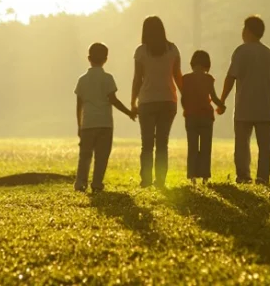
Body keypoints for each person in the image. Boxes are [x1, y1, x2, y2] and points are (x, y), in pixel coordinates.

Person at [220, 16, 270, 185]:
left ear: (247, 31)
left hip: (243, 108)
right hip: (264, 109)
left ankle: (243, 176)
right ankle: (263, 177)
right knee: (265, 146)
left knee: (242, 145)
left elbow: (230, 78)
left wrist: (222, 100)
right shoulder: (269, 54)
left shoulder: (241, 51)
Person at [74, 42, 136, 192]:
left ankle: (81, 183)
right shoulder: (108, 78)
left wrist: (79, 125)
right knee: (102, 156)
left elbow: (79, 105)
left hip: (88, 123)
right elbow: (113, 100)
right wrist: (129, 112)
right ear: (106, 59)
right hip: (105, 123)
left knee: (85, 156)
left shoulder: (82, 80)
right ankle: (97, 183)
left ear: (89, 58)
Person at [131, 16, 182, 188]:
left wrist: (133, 101)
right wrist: (186, 96)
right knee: (162, 143)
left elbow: (138, 78)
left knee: (147, 144)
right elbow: (177, 76)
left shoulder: (141, 51)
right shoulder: (172, 49)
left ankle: (145, 180)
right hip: (168, 100)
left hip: (147, 101)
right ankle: (160, 180)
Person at [181, 50, 226, 184]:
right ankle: (205, 176)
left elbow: (183, 99)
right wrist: (222, 106)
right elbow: (213, 97)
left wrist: (187, 109)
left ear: (192, 63)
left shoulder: (186, 79)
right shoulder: (208, 79)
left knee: (192, 147)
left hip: (191, 117)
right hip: (206, 117)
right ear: (207, 64)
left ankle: (192, 176)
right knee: (206, 147)